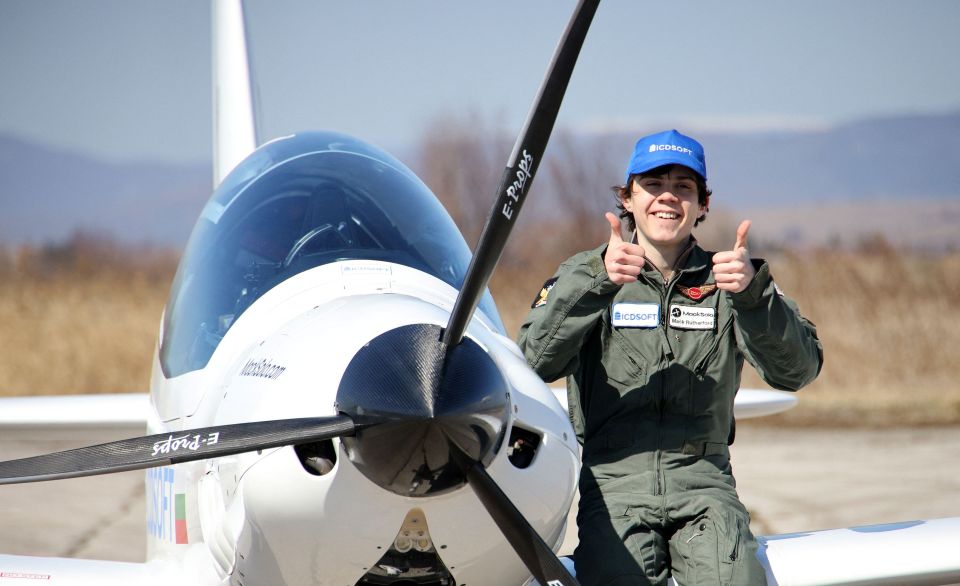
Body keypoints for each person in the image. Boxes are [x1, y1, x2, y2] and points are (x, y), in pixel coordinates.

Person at [517, 129, 823, 585]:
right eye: (653, 184)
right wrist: (594, 284)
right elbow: (530, 363)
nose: (668, 197)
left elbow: (797, 371)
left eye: (684, 187)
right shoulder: (586, 274)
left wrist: (754, 295)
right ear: (628, 197)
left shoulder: (732, 280)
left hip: (705, 483)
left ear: (703, 204)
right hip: (614, 485)